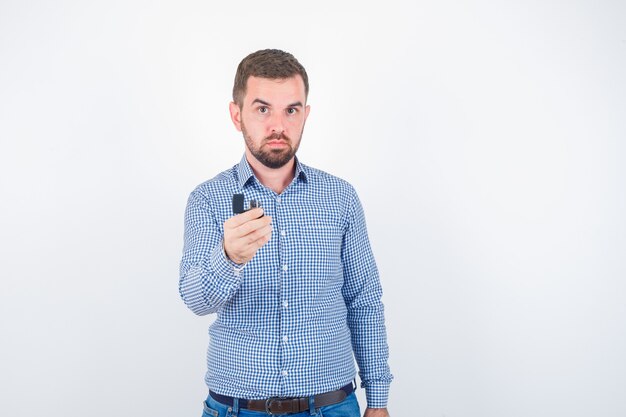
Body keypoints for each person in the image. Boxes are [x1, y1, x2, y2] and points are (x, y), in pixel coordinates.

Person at [179, 49, 392, 417]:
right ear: (236, 115)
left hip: (332, 407)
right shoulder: (207, 199)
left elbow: (364, 300)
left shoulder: (340, 198)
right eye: (263, 109)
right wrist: (229, 258)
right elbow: (196, 300)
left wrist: (378, 399)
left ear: (305, 114)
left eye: (291, 110)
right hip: (236, 410)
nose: (278, 125)